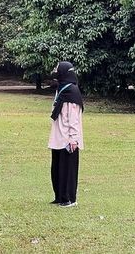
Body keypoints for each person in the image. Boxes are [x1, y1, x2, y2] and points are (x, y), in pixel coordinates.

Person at [48, 61, 84, 208]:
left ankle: (69, 198)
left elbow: (74, 119)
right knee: (57, 168)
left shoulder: (72, 92)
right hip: (58, 136)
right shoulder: (61, 89)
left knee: (68, 169)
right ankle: (59, 196)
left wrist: (74, 139)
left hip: (68, 139)